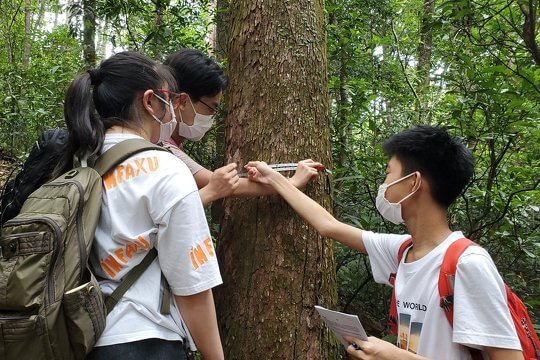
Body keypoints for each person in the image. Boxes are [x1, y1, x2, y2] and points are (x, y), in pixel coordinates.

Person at [244, 125, 523, 360]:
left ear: (413, 182)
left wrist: (393, 355)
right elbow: (329, 226)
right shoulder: (405, 251)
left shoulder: (467, 264)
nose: (384, 183)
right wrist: (277, 179)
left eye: (389, 173)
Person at [57, 51, 224, 359]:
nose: (174, 110)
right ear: (150, 102)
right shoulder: (165, 167)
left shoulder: (78, 159)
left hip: (80, 338)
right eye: (169, 99)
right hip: (145, 339)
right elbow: (193, 288)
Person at [163, 49, 319, 205]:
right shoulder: (161, 146)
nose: (212, 116)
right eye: (211, 108)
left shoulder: (167, 141)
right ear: (182, 101)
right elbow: (221, 185)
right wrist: (291, 183)